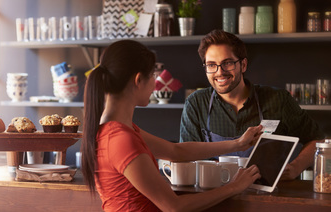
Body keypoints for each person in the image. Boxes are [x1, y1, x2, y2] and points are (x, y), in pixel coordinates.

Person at [81, 39, 263, 211]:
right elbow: (174, 207)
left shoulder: (115, 129)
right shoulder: (121, 138)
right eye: (153, 75)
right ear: (138, 80)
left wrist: (238, 143)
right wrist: (233, 187)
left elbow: (176, 151)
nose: (155, 83)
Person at [179, 29, 325, 180]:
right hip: (216, 196)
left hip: (268, 198)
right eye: (211, 65)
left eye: (227, 63)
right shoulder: (196, 103)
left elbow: (317, 140)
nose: (219, 72)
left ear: (243, 65)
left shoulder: (278, 99)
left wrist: (295, 168)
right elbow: (185, 155)